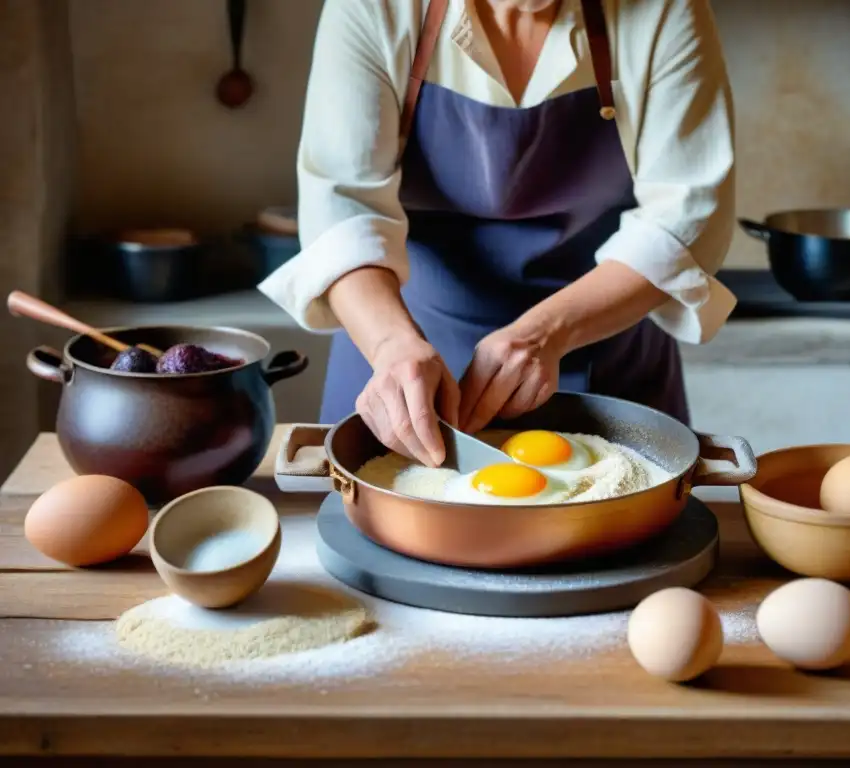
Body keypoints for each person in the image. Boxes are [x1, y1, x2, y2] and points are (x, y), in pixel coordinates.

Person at [260, 0, 737, 468]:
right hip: (399, 347)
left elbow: (685, 215)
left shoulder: (664, 9)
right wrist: (391, 347)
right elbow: (343, 211)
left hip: (601, 344)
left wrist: (549, 333)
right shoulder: (376, 7)